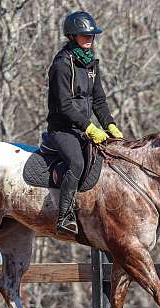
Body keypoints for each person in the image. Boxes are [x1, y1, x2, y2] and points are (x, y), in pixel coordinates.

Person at [46, 10, 123, 235]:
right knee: (77, 164)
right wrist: (89, 127)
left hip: (83, 129)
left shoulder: (90, 64)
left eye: (91, 35)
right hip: (63, 130)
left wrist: (109, 124)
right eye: (84, 35)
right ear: (71, 36)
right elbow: (64, 104)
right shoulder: (62, 64)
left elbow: (98, 100)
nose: (89, 39)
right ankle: (65, 216)